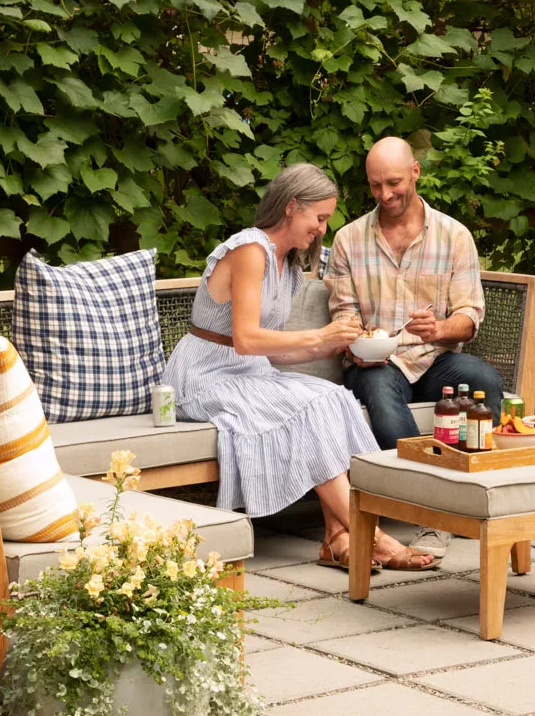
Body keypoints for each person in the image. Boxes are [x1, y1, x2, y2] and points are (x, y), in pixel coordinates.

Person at [163, 163, 437, 571]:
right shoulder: (249, 251)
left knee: (333, 397)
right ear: (291, 207)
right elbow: (246, 339)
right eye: (320, 217)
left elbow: (275, 355)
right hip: (206, 376)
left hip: (251, 373)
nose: (323, 229)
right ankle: (371, 537)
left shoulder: (287, 265)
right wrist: (321, 336)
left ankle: (336, 536)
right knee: (306, 409)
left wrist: (341, 348)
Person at [326, 136, 505, 457]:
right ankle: (422, 488)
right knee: (381, 395)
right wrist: (356, 347)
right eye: (375, 185)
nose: (385, 194)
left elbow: (468, 318)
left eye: (394, 183)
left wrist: (438, 329)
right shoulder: (347, 240)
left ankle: (479, 476)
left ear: (415, 172)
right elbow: (344, 316)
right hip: (374, 366)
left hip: (436, 361)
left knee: (484, 379)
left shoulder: (455, 237)